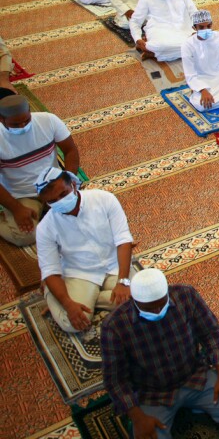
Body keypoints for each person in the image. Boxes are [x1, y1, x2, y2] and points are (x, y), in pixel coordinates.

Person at [100, 268, 219, 439]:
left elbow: (211, 333)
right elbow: (115, 379)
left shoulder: (186, 296)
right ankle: (188, 409)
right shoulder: (115, 325)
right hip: (152, 393)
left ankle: (194, 405)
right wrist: (137, 417)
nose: (157, 311)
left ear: (167, 293)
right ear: (134, 300)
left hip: (194, 376)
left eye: (161, 304)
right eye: (150, 308)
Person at [34, 165, 134, 334]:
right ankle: (52, 294)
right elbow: (50, 270)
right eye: (52, 201)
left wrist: (123, 282)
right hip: (79, 273)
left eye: (63, 194)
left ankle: (91, 300)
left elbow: (123, 240)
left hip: (114, 264)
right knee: (72, 322)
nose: (59, 201)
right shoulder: (45, 227)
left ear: (73, 185)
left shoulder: (104, 199)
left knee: (144, 299)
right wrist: (68, 304)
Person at [0, 95, 79, 246]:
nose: (23, 126)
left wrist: (68, 181)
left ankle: (45, 211)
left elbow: (70, 151)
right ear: (1, 119)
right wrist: (17, 209)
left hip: (55, 186)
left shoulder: (48, 120)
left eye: (26, 120)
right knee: (26, 236)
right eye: (16, 124)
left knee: (85, 216)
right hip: (22, 195)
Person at [130, 0, 197, 62]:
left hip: (184, 28)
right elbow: (135, 20)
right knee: (160, 45)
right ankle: (155, 49)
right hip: (160, 31)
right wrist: (137, 39)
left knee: (202, 41)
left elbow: (192, 10)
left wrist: (197, 27)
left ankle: (154, 53)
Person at [181, 10, 219, 113]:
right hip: (203, 81)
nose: (206, 29)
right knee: (202, 105)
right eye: (201, 27)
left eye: (209, 26)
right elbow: (190, 74)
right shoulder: (188, 45)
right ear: (194, 28)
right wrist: (203, 90)